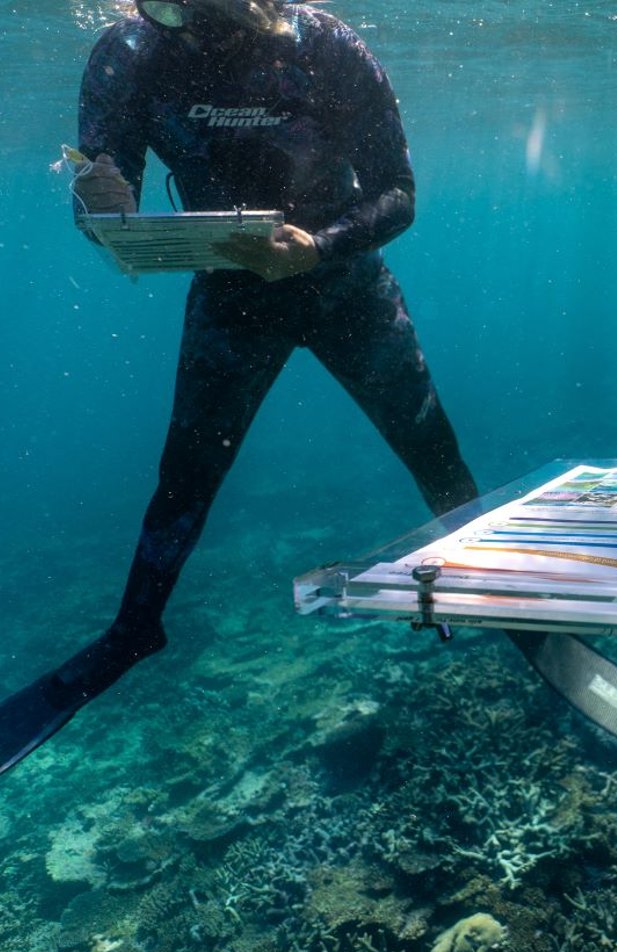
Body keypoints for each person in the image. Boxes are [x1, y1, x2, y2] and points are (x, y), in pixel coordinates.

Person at [0, 0, 477, 775]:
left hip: (341, 283)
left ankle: (490, 577)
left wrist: (317, 247)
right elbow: (102, 176)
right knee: (184, 478)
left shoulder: (323, 43)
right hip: (234, 294)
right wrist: (97, 204)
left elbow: (398, 193)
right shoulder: (130, 51)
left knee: (430, 445)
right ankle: (133, 630)